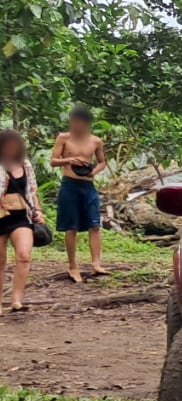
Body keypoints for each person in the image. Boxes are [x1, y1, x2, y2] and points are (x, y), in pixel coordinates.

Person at [50, 105, 108, 282]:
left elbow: (102, 162)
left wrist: (93, 172)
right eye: (73, 122)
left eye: (80, 122)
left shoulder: (95, 141)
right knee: (71, 227)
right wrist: (69, 160)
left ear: (87, 123)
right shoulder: (63, 138)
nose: (76, 125)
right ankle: (73, 266)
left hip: (88, 186)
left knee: (94, 225)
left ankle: (96, 264)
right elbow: (53, 161)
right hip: (70, 185)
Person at [0, 129, 43, 313]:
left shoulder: (25, 164)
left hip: (21, 216)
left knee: (24, 256)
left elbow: (32, 191)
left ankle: (16, 300)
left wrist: (38, 210)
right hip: (1, 216)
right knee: (0, 261)